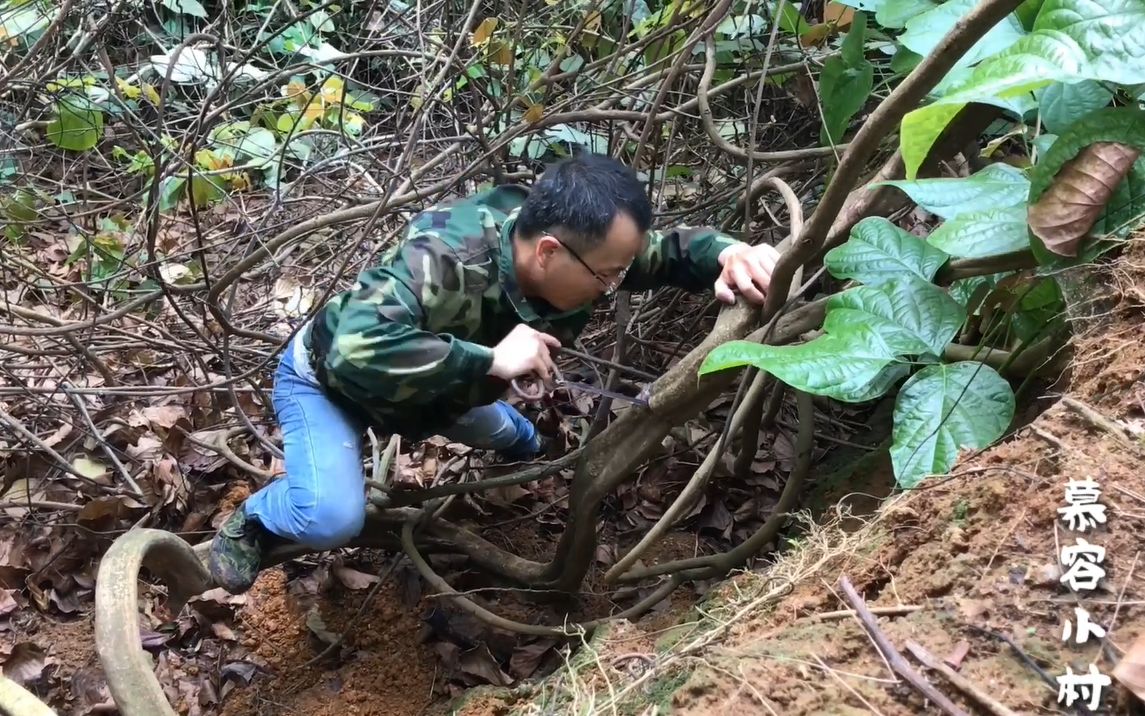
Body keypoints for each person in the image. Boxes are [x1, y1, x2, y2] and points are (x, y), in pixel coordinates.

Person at [208, 153, 781, 593]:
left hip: (439, 395)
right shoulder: (442, 258)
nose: (615, 284)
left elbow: (666, 252)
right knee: (331, 518)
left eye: (619, 272)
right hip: (330, 387)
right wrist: (489, 361)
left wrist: (730, 254)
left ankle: (516, 439)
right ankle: (255, 521)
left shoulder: (582, 247)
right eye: (607, 276)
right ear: (549, 253)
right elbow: (355, 348)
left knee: (518, 437)